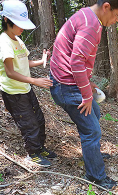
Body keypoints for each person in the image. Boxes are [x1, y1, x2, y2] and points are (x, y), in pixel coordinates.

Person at [49, 0, 118, 189]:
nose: (117, 20)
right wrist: (86, 95)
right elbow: (76, 62)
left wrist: (87, 81)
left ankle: (92, 154)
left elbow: (78, 58)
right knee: (92, 131)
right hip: (65, 86)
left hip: (67, 80)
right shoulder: (91, 24)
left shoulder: (87, 15)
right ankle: (96, 177)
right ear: (106, 6)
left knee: (95, 113)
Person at [0, 0, 56, 167]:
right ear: (6, 20)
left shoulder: (18, 40)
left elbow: (25, 62)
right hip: (13, 92)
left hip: (25, 88)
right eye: (18, 24)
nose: (21, 28)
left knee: (39, 119)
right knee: (29, 123)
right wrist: (34, 81)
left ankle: (40, 148)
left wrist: (42, 60)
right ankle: (33, 153)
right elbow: (10, 72)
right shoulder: (4, 42)